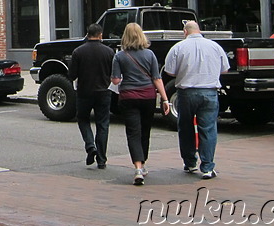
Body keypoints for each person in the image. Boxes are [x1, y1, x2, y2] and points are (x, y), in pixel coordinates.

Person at [164, 21, 229, 180]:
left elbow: (170, 72)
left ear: (185, 32)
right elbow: (225, 69)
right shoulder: (215, 46)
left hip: (186, 92)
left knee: (185, 127)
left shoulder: (178, 47)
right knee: (207, 129)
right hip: (209, 92)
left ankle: (190, 162)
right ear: (199, 30)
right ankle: (207, 166)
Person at [111, 23, 170, 186]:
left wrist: (122, 79)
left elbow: (115, 80)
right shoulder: (150, 54)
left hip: (128, 97)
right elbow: (157, 78)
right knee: (145, 130)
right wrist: (165, 99)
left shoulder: (120, 56)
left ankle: (137, 168)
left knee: (133, 132)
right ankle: (143, 163)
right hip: (148, 97)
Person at [69, 23, 115, 169]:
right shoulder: (109, 52)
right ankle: (101, 159)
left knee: (83, 119)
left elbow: (72, 75)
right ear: (100, 35)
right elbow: (113, 73)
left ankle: (90, 146)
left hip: (84, 91)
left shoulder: (78, 52)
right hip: (103, 91)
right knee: (103, 123)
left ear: (87, 34)